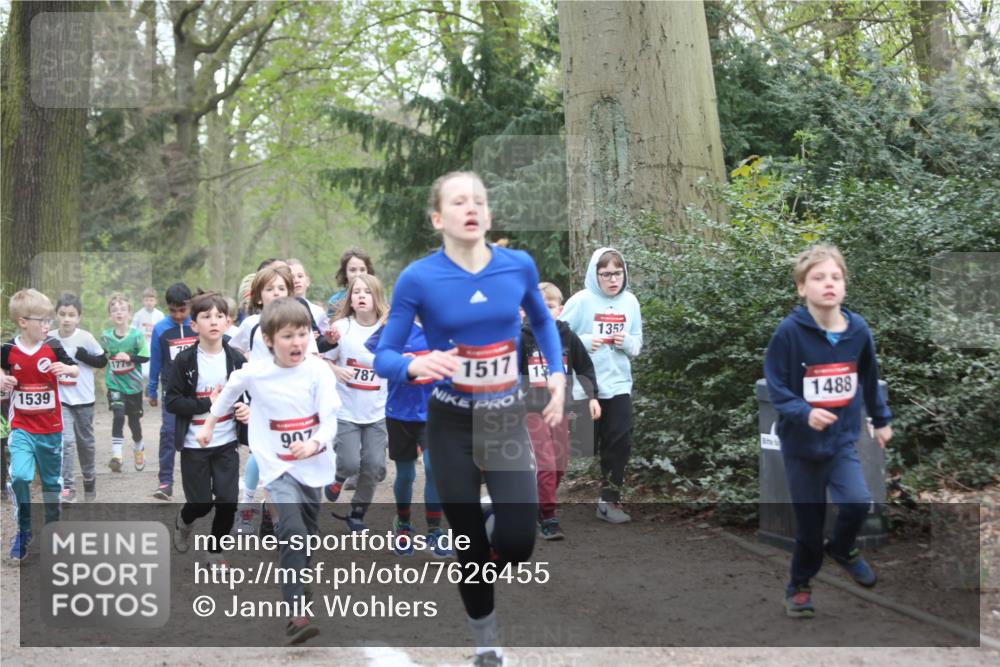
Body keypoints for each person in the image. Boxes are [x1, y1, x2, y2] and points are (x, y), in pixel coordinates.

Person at [374, 171, 565, 667]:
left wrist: (559, 373)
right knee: (470, 550)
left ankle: (488, 522)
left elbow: (542, 320)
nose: (471, 207)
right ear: (439, 218)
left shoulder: (517, 266)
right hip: (451, 422)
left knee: (518, 544)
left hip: (502, 416)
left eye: (479, 200)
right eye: (459, 202)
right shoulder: (419, 277)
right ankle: (486, 644)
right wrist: (414, 364)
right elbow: (384, 356)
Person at [196, 296, 339, 645]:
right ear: (269, 339)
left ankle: (300, 587)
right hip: (276, 467)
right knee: (292, 532)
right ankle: (296, 615)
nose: (298, 343)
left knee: (307, 536)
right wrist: (210, 422)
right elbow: (231, 390)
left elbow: (330, 421)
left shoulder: (318, 369)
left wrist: (313, 444)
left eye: (304, 334)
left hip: (313, 464)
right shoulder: (257, 371)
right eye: (289, 336)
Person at [764, 244, 893, 619]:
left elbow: (869, 379)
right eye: (818, 278)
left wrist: (881, 420)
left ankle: (842, 547)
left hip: (841, 441)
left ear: (845, 285)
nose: (829, 284)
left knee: (856, 502)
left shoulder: (858, 331)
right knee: (808, 527)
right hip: (801, 447)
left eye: (835, 277)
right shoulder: (789, 333)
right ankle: (799, 586)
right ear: (802, 288)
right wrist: (805, 412)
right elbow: (777, 386)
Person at [166, 291, 249, 568]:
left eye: (219, 316)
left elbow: (250, 395)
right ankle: (184, 520)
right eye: (206, 316)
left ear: (228, 322)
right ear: (194, 325)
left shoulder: (237, 360)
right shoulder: (185, 361)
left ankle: (214, 551)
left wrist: (245, 410)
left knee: (227, 501)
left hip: (225, 442)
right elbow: (173, 401)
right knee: (201, 503)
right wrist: (207, 402)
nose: (213, 321)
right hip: (194, 445)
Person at [559, 247, 643, 524]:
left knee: (619, 443)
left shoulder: (630, 302)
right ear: (595, 275)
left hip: (618, 385)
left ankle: (609, 501)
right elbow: (556, 339)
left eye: (617, 273)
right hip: (584, 389)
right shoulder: (580, 301)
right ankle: (537, 499)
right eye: (605, 274)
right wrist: (583, 340)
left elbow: (637, 343)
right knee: (571, 447)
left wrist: (626, 342)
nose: (612, 279)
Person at [1, 289, 79, 561]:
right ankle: (23, 531)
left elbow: (75, 369)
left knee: (50, 484)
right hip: (21, 427)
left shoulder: (54, 347)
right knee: (20, 476)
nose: (48, 325)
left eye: (50, 320)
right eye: (43, 320)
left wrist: (65, 370)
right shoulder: (8, 349)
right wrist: (2, 378)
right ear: (23, 322)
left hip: (51, 428)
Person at [519, 282, 600, 540]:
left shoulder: (568, 336)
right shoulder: (521, 338)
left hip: (560, 408)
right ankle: (549, 516)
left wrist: (592, 397)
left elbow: (585, 368)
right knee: (545, 463)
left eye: (549, 306)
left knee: (560, 464)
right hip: (531, 410)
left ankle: (537, 506)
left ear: (560, 309)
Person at [322, 274, 389, 532]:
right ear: (350, 298)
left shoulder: (388, 328)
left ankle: (357, 512)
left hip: (377, 411)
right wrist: (337, 371)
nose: (361, 296)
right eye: (357, 292)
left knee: (374, 466)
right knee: (350, 462)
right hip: (346, 409)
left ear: (377, 298)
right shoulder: (342, 327)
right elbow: (322, 359)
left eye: (367, 292)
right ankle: (339, 477)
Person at [53, 293, 107, 502]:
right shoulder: (50, 338)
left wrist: (85, 357)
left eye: (71, 315)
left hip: (84, 398)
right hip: (61, 399)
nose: (67, 319)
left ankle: (89, 478)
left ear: (78, 317)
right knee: (66, 442)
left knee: (86, 443)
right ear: (57, 315)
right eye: (63, 314)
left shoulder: (85, 337)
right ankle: (68, 487)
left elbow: (102, 361)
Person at [148, 283, 197, 500]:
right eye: (173, 310)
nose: (178, 315)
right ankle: (165, 481)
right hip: (171, 390)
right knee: (168, 433)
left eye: (182, 310)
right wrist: (151, 389)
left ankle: (197, 481)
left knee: (194, 435)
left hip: (196, 391)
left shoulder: (198, 325)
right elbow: (156, 361)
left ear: (190, 306)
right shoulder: (160, 329)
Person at [100, 293, 150, 473]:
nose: (118, 313)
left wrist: (129, 357)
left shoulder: (136, 336)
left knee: (134, 423)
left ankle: (138, 447)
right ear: (110, 315)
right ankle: (117, 455)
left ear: (129, 313)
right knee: (118, 415)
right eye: (114, 310)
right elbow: (100, 358)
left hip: (134, 386)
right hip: (114, 383)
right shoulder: (105, 337)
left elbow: (145, 357)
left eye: (122, 309)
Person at [326, 248, 374, 317]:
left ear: (368, 271)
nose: (358, 274)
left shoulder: (376, 296)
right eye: (353, 270)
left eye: (362, 270)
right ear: (345, 273)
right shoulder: (335, 301)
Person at [287, 258, 329, 332]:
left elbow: (325, 339)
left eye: (300, 276)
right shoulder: (280, 310)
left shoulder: (318, 312)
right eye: (291, 278)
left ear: (307, 281)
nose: (296, 281)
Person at [132, 287, 164, 381]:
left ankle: (152, 392)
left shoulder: (160, 315)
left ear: (155, 301)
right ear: (143, 301)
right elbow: (132, 330)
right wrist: (140, 336)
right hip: (143, 346)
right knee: (143, 374)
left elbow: (163, 331)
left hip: (155, 346)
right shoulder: (138, 314)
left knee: (155, 373)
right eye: (146, 300)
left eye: (151, 300)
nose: (149, 302)